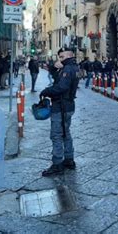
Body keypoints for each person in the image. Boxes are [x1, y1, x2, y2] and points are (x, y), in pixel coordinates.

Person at [40, 48, 79, 176]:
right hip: (68, 105)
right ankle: (69, 159)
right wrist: (53, 69)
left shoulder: (68, 69)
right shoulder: (73, 67)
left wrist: (47, 91)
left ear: (68, 56)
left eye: (61, 57)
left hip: (61, 106)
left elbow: (61, 87)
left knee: (56, 135)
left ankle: (57, 163)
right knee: (66, 133)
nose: (59, 60)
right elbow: (58, 80)